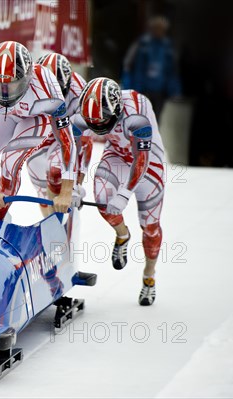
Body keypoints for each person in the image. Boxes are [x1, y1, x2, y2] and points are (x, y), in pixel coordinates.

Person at [72, 77, 165, 306]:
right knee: (103, 201)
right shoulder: (82, 113)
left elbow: (141, 160)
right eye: (91, 121)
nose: (97, 126)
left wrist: (124, 194)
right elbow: (81, 149)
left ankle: (149, 277)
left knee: (150, 226)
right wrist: (76, 184)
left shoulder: (136, 114)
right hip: (117, 155)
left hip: (148, 161)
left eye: (102, 121)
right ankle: (122, 235)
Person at [0, 41, 76, 219]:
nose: (4, 93)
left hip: (35, 119)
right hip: (5, 116)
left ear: (28, 78)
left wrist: (66, 191)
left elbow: (66, 140)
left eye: (12, 85)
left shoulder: (48, 89)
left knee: (10, 162)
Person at [26, 52, 91, 217]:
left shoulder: (80, 95)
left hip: (66, 134)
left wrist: (76, 183)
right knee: (39, 179)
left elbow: (84, 141)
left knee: (56, 170)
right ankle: (51, 223)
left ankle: (59, 219)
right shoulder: (28, 87)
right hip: (42, 132)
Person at [121, 15, 181, 119]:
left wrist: (174, 91)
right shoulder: (141, 44)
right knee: (139, 118)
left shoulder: (167, 48)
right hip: (141, 89)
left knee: (155, 119)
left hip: (160, 91)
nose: (158, 31)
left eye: (161, 28)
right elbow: (127, 65)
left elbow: (172, 71)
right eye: (156, 28)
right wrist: (126, 86)